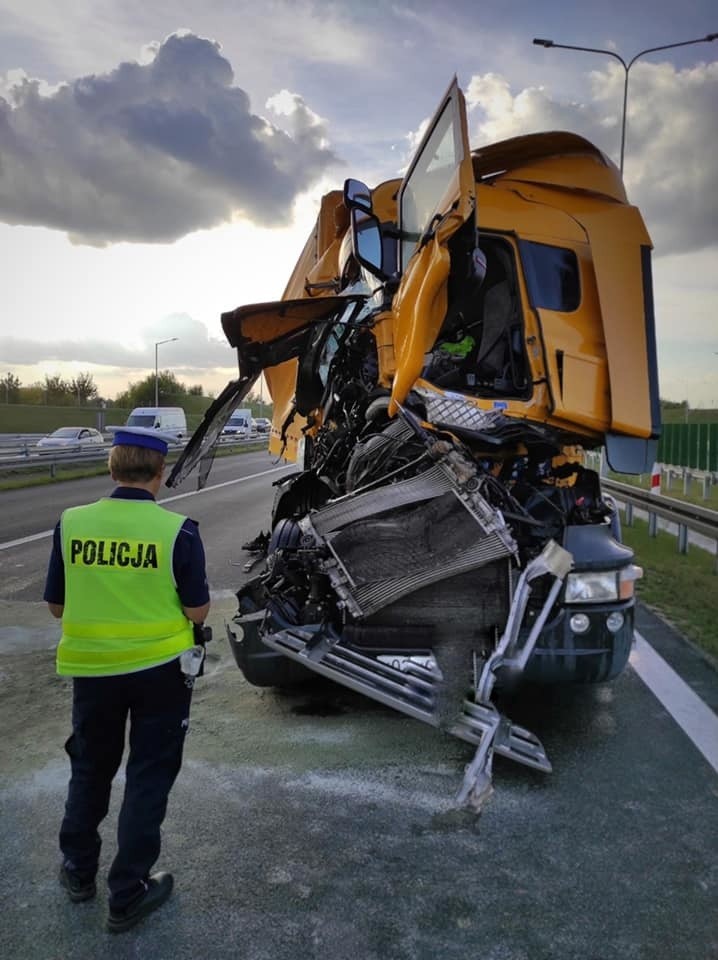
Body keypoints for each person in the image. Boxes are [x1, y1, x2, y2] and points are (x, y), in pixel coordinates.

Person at [43, 426, 210, 934]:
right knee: (147, 777)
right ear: (160, 475)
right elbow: (197, 609)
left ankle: (77, 871)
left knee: (90, 769)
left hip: (93, 673)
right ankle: (128, 891)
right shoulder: (178, 530)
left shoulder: (71, 524)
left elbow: (56, 606)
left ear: (111, 468)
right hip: (161, 674)